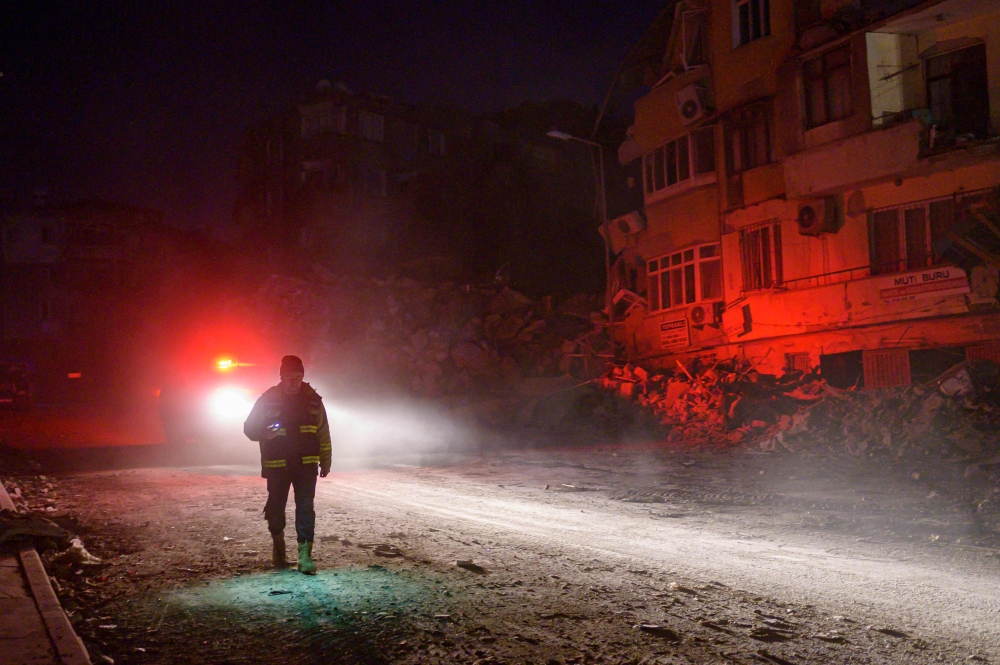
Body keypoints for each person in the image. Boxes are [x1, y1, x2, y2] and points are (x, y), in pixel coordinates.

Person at [244, 355, 331, 574]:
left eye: (298, 377)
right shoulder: (267, 399)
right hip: (277, 464)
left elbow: (324, 433)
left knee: (305, 507)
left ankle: (305, 556)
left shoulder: (314, 401)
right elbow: (248, 427)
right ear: (281, 376)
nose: (294, 382)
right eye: (289, 377)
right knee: (275, 508)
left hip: (306, 465)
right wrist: (263, 433)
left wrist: (326, 461)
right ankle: (279, 546)